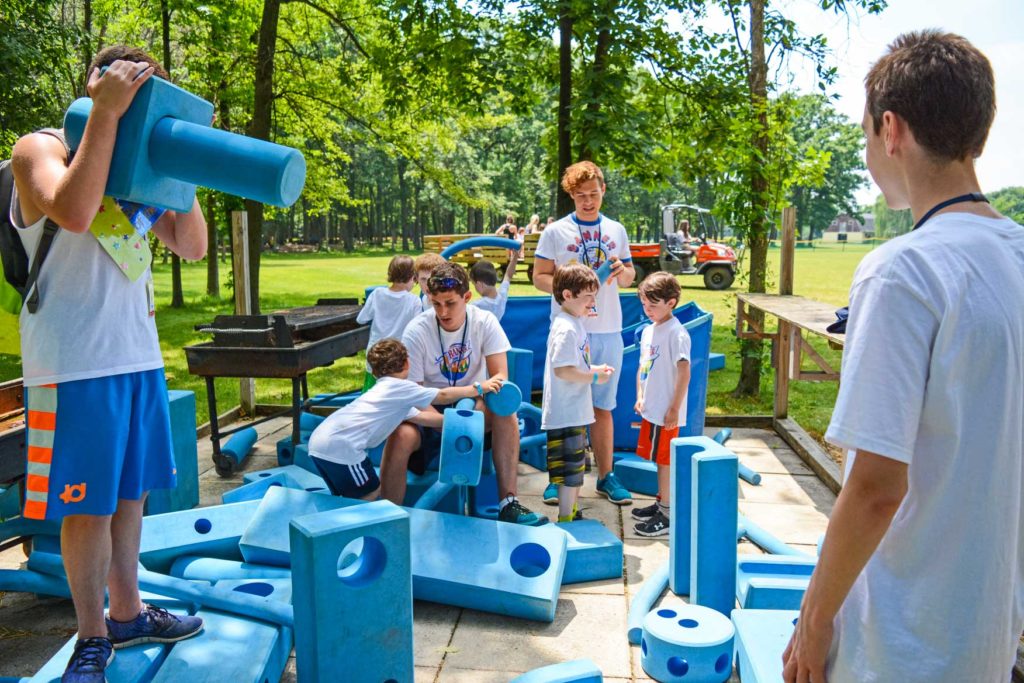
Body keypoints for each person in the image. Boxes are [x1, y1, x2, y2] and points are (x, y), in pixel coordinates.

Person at [782, 31, 1024, 683]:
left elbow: (874, 489)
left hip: (900, 641)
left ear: (891, 130)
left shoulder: (904, 271)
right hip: (985, 634)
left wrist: (814, 621)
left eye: (866, 135)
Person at [10, 46, 208, 682]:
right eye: (135, 93)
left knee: (129, 492)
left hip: (137, 352)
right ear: (99, 86)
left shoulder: (138, 165)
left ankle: (126, 612)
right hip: (73, 362)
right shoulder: (38, 148)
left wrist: (180, 161)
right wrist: (107, 115)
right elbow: (69, 211)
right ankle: (90, 635)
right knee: (85, 504)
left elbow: (193, 246)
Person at [384, 261, 544, 525]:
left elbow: (500, 376)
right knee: (400, 434)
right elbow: (411, 393)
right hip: (431, 407)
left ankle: (508, 503)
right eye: (435, 303)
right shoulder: (416, 329)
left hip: (476, 404)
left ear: (467, 297)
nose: (442, 311)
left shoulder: (485, 321)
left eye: (450, 303)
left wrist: (475, 409)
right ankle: (386, 515)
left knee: (507, 412)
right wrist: (443, 422)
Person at [533, 160, 636, 507]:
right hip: (570, 329)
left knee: (603, 406)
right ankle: (557, 480)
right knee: (563, 406)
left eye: (593, 194)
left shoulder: (616, 230)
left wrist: (623, 274)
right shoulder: (555, 232)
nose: (588, 201)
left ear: (603, 190)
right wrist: (569, 287)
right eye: (580, 196)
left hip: (607, 328)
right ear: (571, 196)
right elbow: (539, 277)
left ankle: (607, 476)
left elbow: (630, 274)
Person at [308, 338, 499, 500]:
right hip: (343, 448)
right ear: (407, 363)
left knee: (343, 499)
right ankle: (371, 535)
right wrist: (479, 388)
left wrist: (464, 423)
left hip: (319, 444)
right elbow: (442, 395)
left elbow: (424, 418)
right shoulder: (400, 388)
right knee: (371, 495)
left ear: (374, 372)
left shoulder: (384, 394)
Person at [541, 263, 613, 522]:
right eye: (588, 297)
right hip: (566, 411)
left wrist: (594, 368)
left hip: (574, 410)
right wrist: (594, 376)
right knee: (569, 472)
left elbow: (574, 365)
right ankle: (566, 517)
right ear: (567, 295)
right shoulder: (565, 328)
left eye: (595, 296)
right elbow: (563, 370)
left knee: (575, 469)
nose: (593, 302)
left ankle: (570, 512)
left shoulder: (575, 322)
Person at [630, 272, 690, 537]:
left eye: (653, 305)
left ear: (671, 302)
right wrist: (640, 395)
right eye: (644, 304)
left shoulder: (677, 333)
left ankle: (667, 514)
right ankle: (661, 502)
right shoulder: (648, 331)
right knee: (657, 459)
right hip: (651, 409)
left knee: (666, 461)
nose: (648, 310)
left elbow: (685, 371)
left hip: (668, 412)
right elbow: (643, 368)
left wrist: (674, 408)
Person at [356, 255, 422, 391]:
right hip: (399, 357)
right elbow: (418, 329)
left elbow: (361, 319)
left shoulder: (377, 294)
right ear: (411, 277)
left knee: (371, 393)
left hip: (376, 354)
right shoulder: (414, 301)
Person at [470, 249, 519, 321]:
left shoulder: (476, 306)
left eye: (474, 284)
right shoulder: (501, 297)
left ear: (480, 285)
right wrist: (515, 257)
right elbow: (508, 275)